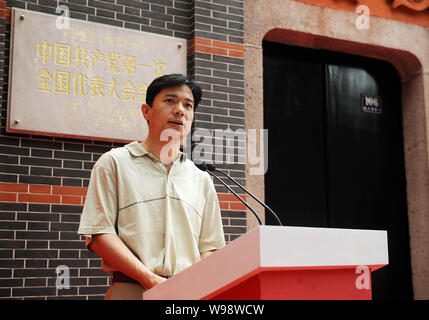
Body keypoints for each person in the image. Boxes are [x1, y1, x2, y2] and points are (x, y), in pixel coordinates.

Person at [77, 74, 225, 300]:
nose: (180, 110)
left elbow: (210, 247)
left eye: (188, 105)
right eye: (170, 101)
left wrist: (198, 286)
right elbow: (100, 234)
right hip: (131, 290)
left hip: (188, 295)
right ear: (146, 111)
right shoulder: (114, 163)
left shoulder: (201, 179)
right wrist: (151, 280)